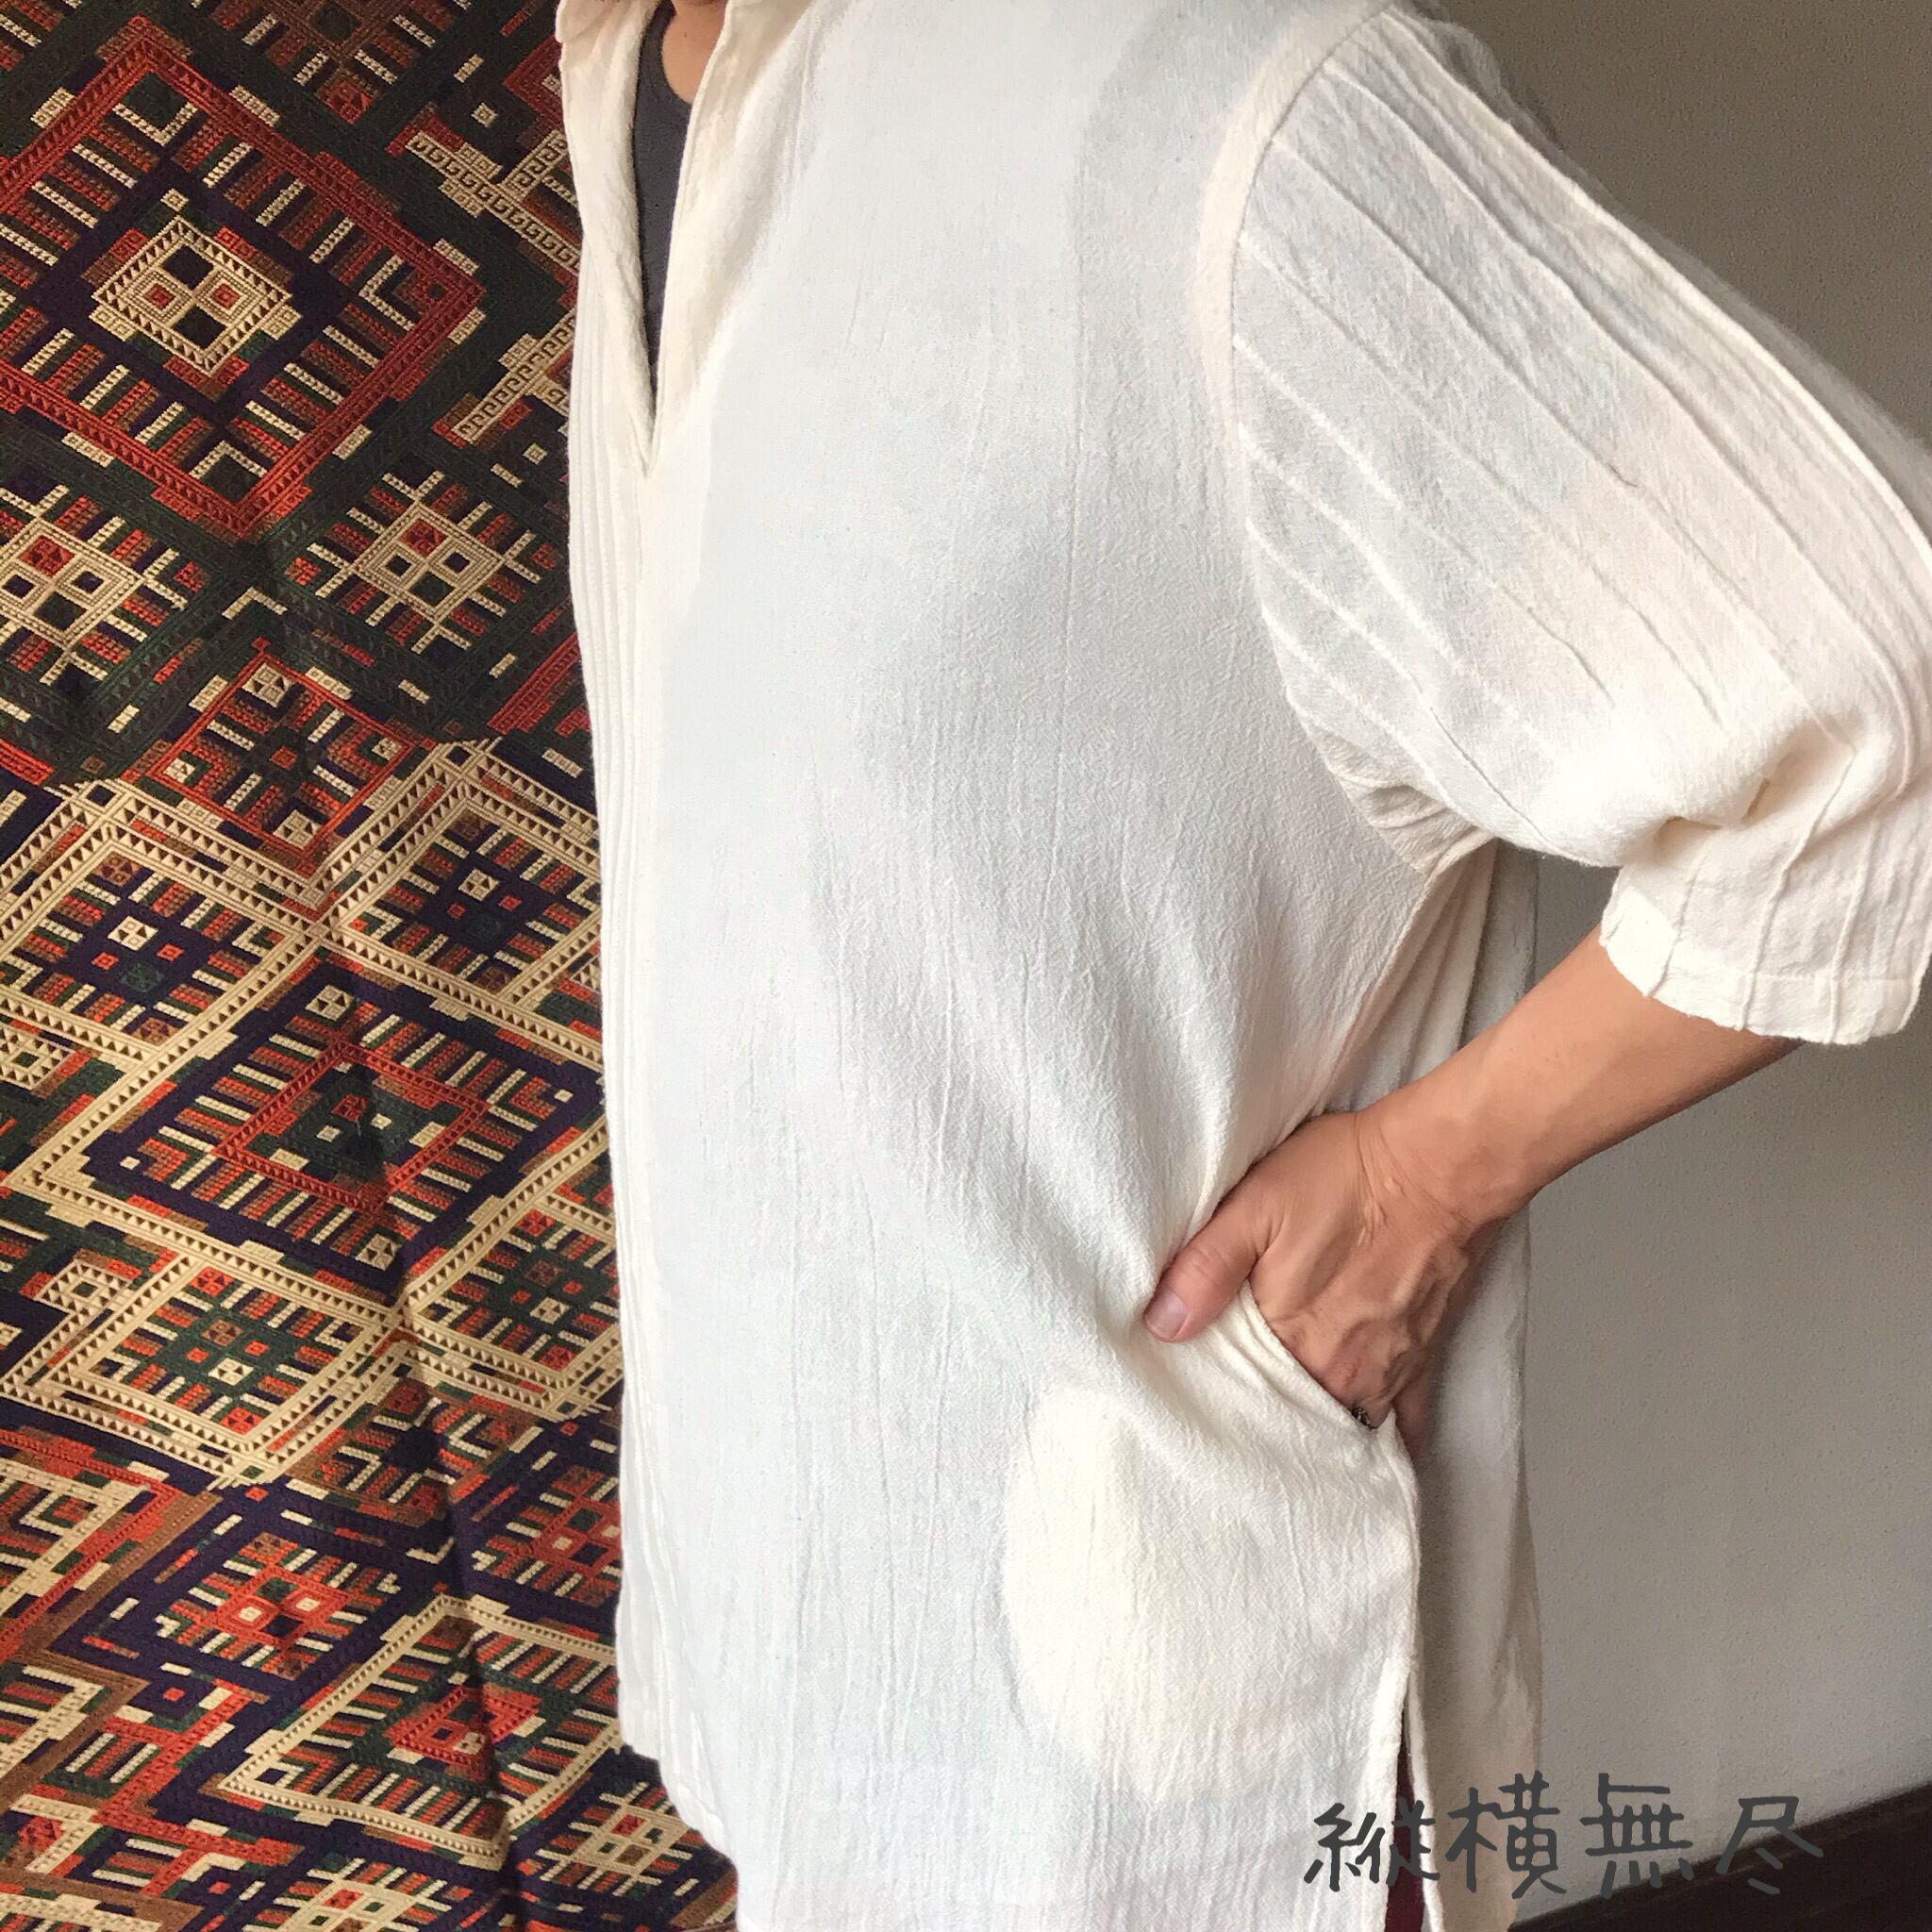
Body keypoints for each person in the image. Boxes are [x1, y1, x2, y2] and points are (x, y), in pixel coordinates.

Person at [555, 1, 1932, 1926]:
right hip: (821, 1647)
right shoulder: (632, 80)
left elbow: (1882, 709)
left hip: (1167, 1728)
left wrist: (1428, 1178)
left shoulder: (1209, 103)